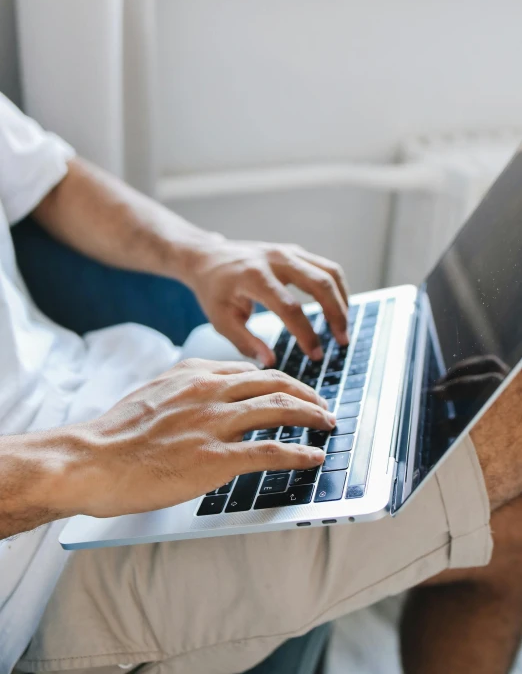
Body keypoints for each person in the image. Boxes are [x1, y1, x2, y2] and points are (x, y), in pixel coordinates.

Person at [1, 91, 522, 674]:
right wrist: (90, 455)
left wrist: (201, 254)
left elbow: (47, 176)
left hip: (136, 384)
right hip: (41, 571)